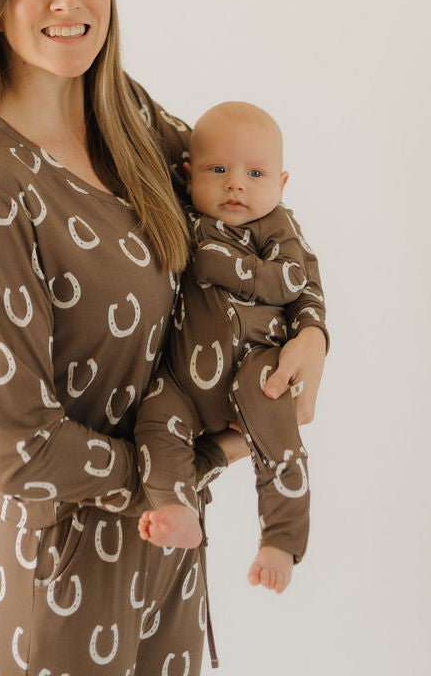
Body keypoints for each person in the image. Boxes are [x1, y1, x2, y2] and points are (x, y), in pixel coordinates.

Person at [0, 0, 327, 673]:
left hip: (168, 563)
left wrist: (313, 330)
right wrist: (186, 469)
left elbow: (255, 205)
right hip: (60, 574)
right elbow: (20, 449)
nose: (67, 1)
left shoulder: (129, 117)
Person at [135, 102, 326, 595]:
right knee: (156, 421)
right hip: (183, 378)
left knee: (279, 445)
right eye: (217, 170)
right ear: (188, 175)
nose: (235, 184)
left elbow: (293, 278)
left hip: (258, 364)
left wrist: (224, 265)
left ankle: (281, 538)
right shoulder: (185, 217)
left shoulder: (276, 227)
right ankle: (177, 508)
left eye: (255, 173)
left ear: (281, 185)